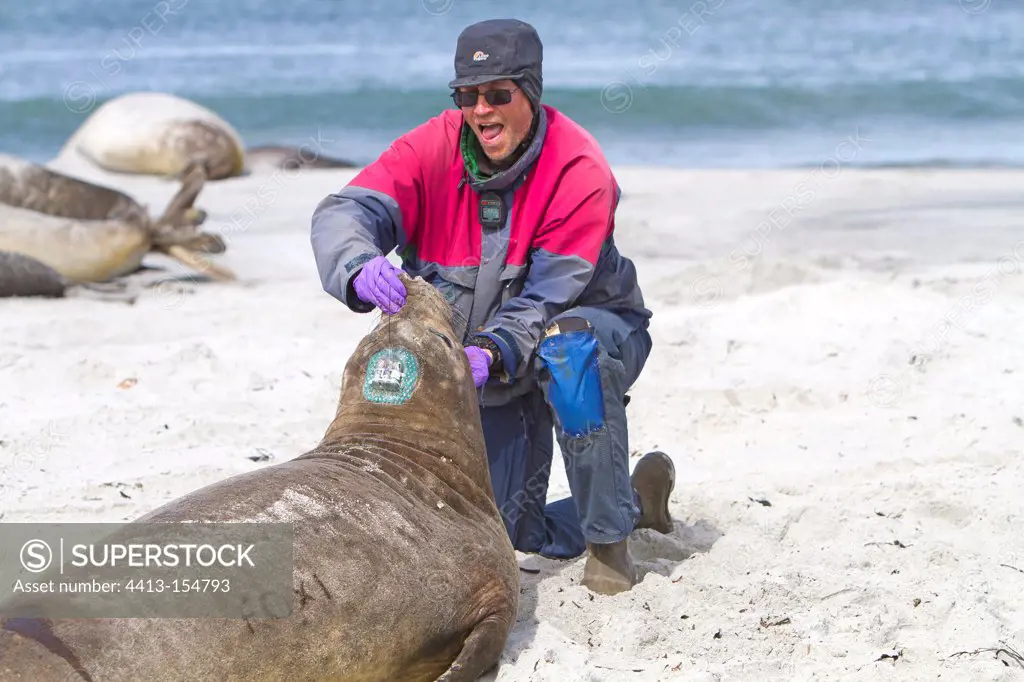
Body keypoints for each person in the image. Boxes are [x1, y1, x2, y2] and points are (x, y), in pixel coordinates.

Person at [310, 18, 675, 595]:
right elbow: (341, 211)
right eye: (467, 96)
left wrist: (490, 350)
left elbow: (544, 300)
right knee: (507, 531)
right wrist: (356, 265)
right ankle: (637, 500)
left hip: (583, 331)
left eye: (498, 94)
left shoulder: (579, 168)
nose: (481, 110)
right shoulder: (431, 146)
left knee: (569, 350)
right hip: (489, 363)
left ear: (530, 92)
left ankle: (609, 547)